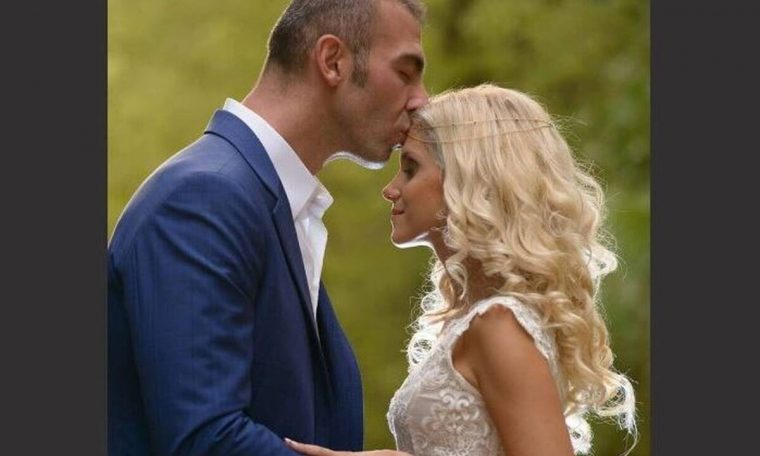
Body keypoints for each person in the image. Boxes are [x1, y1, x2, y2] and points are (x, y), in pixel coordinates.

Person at [107, 0, 428, 454]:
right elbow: (205, 440)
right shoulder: (203, 198)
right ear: (332, 61)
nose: (421, 99)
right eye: (405, 72)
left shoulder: (267, 202)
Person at [285, 84, 637, 456]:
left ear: (468, 180)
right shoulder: (480, 318)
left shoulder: (499, 324)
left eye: (410, 169)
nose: (390, 189)